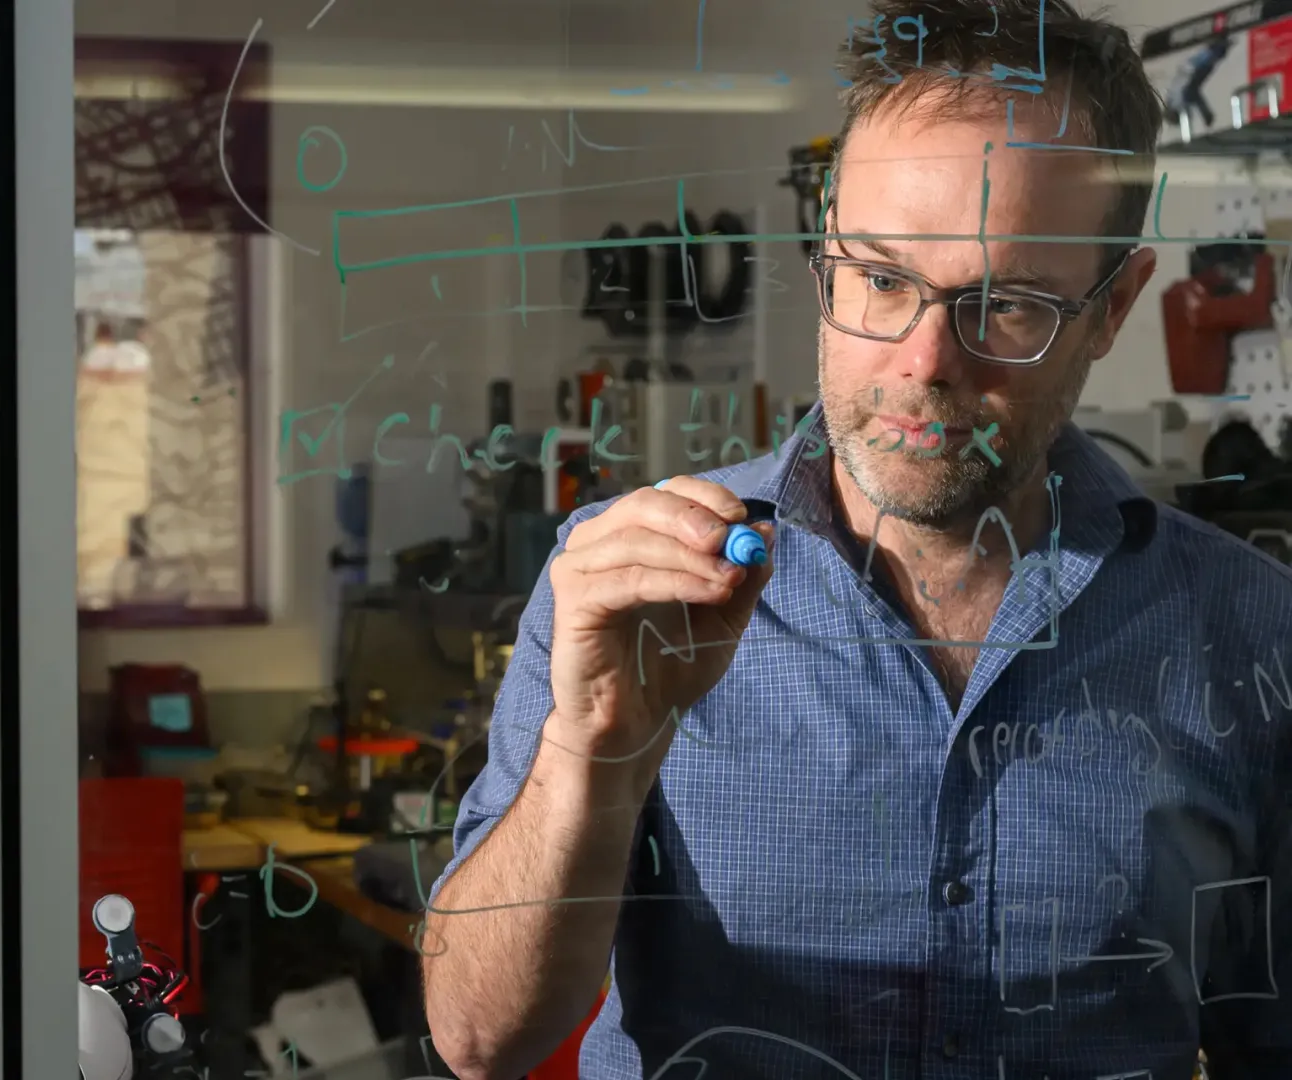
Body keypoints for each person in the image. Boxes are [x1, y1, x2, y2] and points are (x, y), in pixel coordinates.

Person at [423, 3, 1292, 1079]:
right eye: (882, 280)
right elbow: (480, 1040)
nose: (924, 363)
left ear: (1113, 309)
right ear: (824, 260)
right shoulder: (627, 588)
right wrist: (594, 746)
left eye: (1007, 304)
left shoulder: (1250, 630)